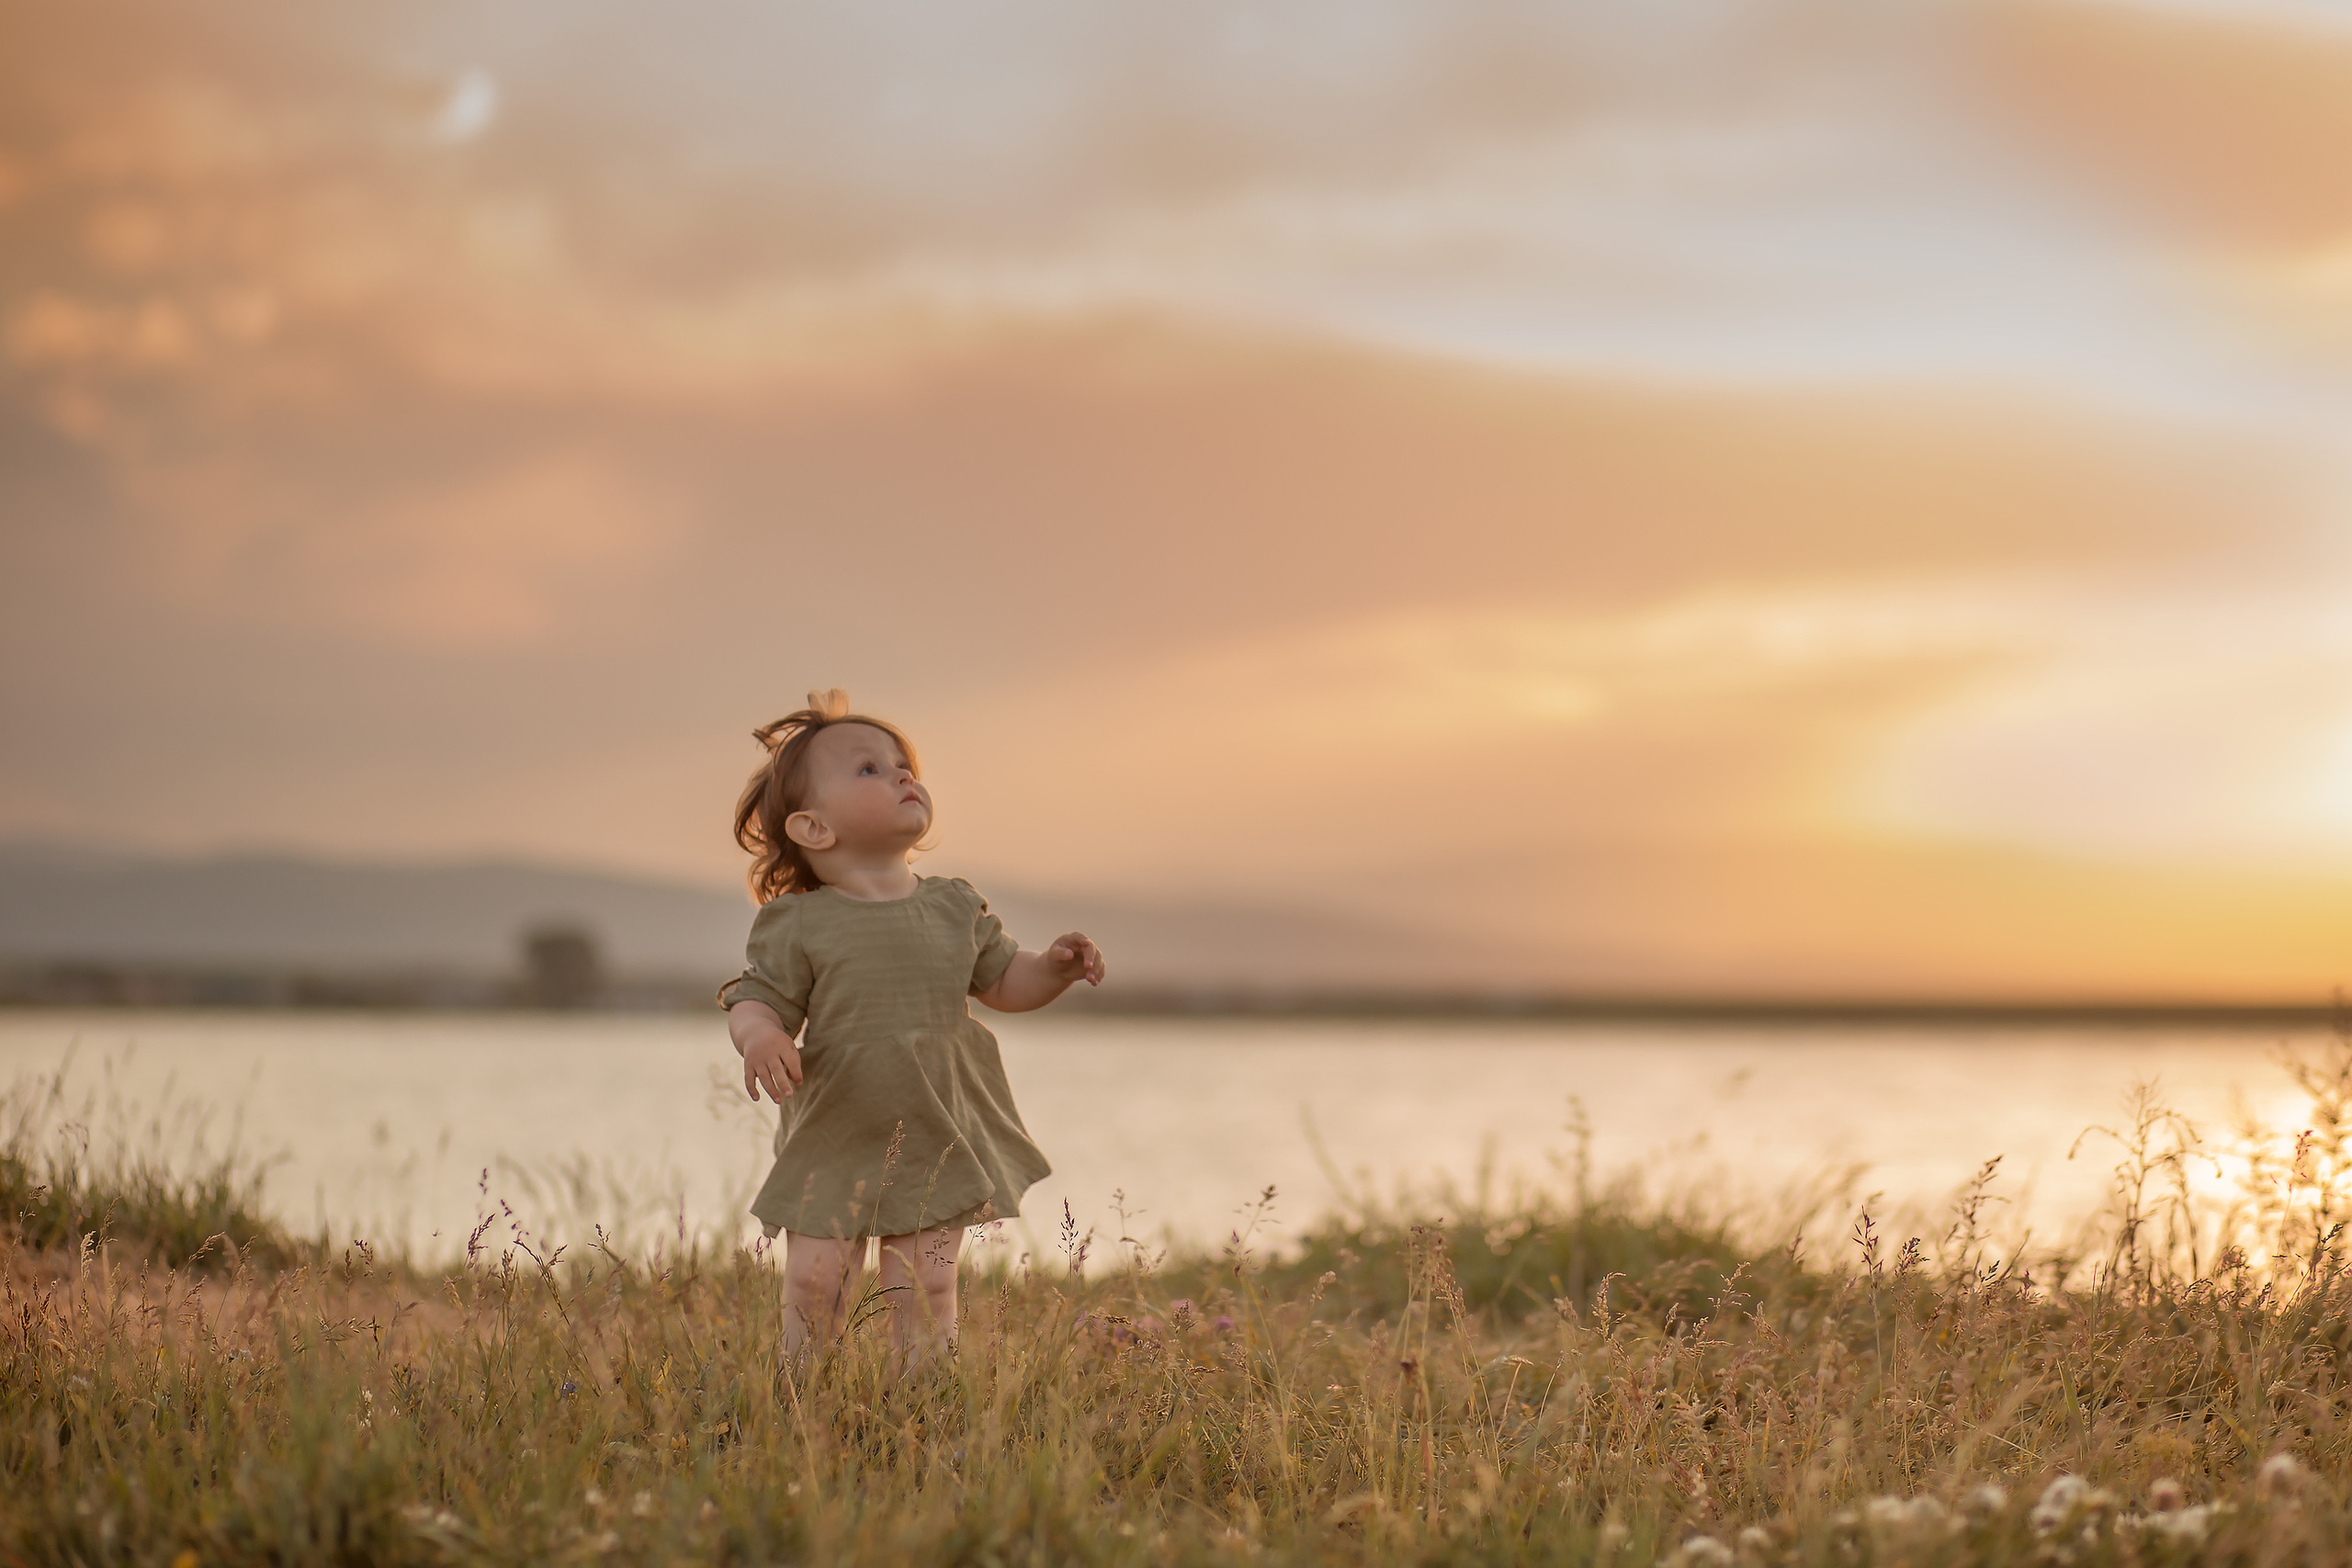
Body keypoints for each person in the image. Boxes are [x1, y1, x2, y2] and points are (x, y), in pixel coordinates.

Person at [718, 689, 1105, 1362]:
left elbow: (1004, 981)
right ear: (813, 828)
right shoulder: (801, 921)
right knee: (816, 1281)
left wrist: (1056, 966)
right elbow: (758, 999)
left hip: (936, 1125)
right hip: (838, 1128)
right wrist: (762, 1036)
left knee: (925, 1280)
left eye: (904, 765)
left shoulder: (953, 905)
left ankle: (923, 1404)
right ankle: (805, 1401)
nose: (902, 775)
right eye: (868, 768)